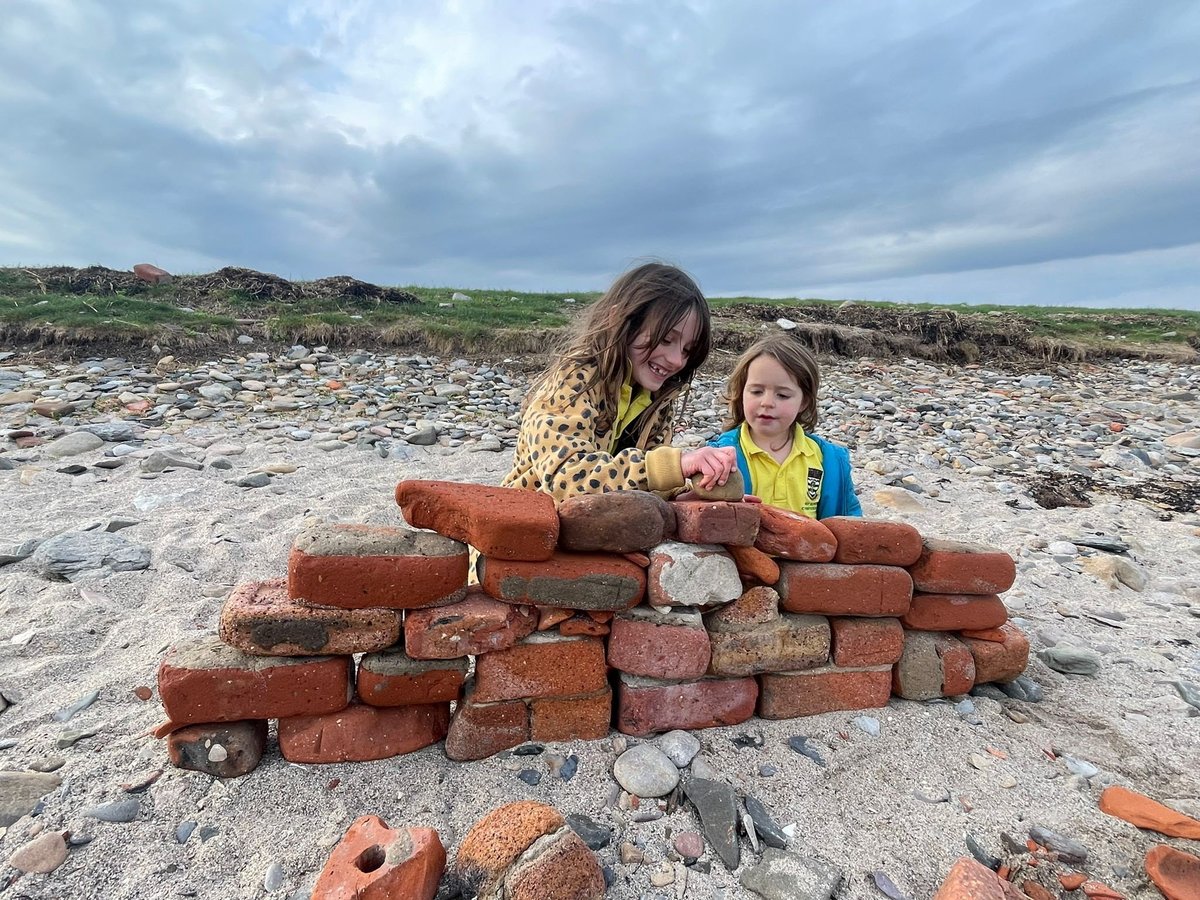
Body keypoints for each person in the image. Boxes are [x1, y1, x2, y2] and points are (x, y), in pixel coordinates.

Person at [502, 262, 736, 502]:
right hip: (526, 519)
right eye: (666, 339)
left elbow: (643, 481)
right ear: (618, 321)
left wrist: (690, 496)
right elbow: (567, 478)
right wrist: (676, 464)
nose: (677, 360)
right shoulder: (574, 382)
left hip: (600, 523)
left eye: (687, 350)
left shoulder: (658, 400)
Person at [709, 333, 862, 518]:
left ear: (804, 401)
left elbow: (851, 519)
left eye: (782, 395)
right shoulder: (720, 456)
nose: (767, 402)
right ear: (741, 393)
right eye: (757, 391)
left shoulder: (829, 460)